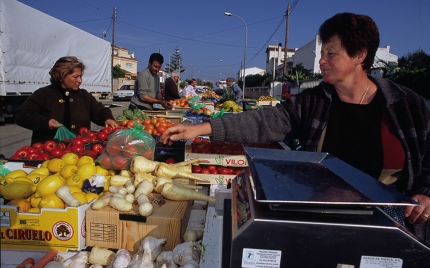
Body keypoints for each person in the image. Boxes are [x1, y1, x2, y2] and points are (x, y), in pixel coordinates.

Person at [161, 13, 430, 243]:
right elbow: (263, 123)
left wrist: (427, 195)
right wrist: (201, 128)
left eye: (331, 53)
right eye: (321, 52)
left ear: (359, 55)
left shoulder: (407, 106)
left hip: (390, 224)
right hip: (322, 218)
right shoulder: (314, 102)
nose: (321, 60)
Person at [15, 56, 119, 145]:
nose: (80, 80)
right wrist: (45, 122)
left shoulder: (83, 95)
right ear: (61, 76)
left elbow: (99, 111)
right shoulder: (44, 94)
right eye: (75, 77)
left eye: (80, 76)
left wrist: (107, 118)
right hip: (48, 151)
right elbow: (22, 115)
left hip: (79, 148)